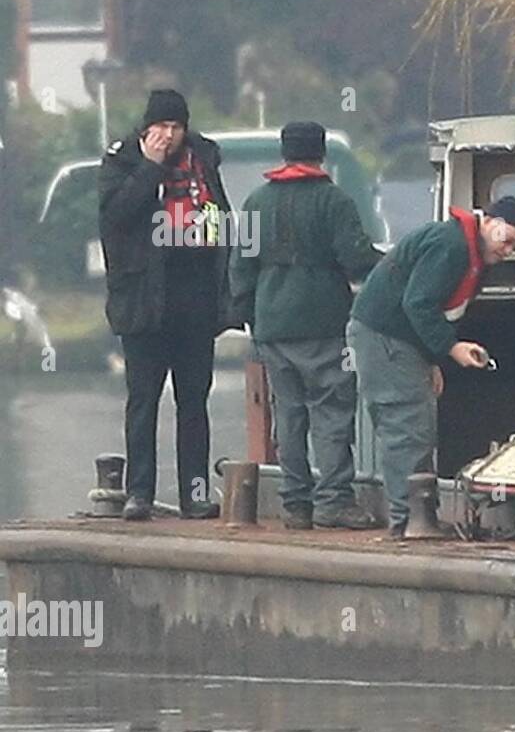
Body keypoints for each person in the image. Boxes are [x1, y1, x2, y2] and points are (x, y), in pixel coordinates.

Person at [347, 196, 515, 538]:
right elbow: (418, 302)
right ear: (490, 222)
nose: (509, 251)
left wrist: (431, 359)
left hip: (399, 339)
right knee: (406, 426)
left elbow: (436, 308)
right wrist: (450, 347)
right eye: (508, 241)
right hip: (385, 336)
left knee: (415, 424)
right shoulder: (452, 248)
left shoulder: (469, 253)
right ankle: (409, 520)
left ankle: (417, 517)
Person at [229, 122, 382, 530]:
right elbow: (356, 259)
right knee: (331, 414)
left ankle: (295, 505)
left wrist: (250, 316)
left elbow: (241, 267)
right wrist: (390, 265)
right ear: (320, 155)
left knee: (289, 416)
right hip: (322, 322)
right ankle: (333, 502)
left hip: (271, 326)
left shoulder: (257, 202)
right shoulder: (333, 201)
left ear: (284, 153)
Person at [98, 89, 239, 520]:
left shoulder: (204, 159)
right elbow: (116, 217)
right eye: (162, 127)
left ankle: (194, 493)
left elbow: (220, 217)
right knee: (143, 401)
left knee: (194, 401)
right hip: (144, 303)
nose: (170, 135)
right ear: (147, 129)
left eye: (177, 127)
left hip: (194, 299)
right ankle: (139, 492)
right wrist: (150, 167)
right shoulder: (120, 161)